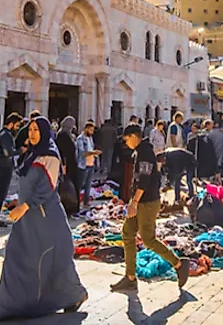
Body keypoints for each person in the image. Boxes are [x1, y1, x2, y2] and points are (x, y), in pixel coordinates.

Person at [0, 118, 87, 321]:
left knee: (53, 262)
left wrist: (25, 206)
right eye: (30, 129)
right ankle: (4, 307)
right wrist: (17, 202)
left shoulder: (51, 156)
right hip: (27, 218)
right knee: (16, 259)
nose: (32, 133)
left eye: (36, 130)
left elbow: (46, 188)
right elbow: (27, 184)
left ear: (45, 132)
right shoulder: (31, 154)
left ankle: (74, 295)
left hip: (46, 218)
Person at [110, 124, 190, 293]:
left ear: (133, 136)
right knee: (127, 234)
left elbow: (144, 180)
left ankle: (179, 264)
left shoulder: (144, 153)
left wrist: (134, 203)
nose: (126, 143)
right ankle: (130, 277)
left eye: (126, 140)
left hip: (147, 202)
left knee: (148, 239)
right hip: (139, 201)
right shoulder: (140, 151)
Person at [75, 121, 100, 209]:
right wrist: (93, 152)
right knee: (80, 184)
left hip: (91, 164)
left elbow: (91, 148)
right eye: (91, 130)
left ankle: (86, 202)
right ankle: (77, 202)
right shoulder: (80, 139)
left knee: (88, 185)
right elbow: (82, 153)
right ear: (86, 129)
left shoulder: (90, 138)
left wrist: (94, 154)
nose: (92, 132)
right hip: (83, 165)